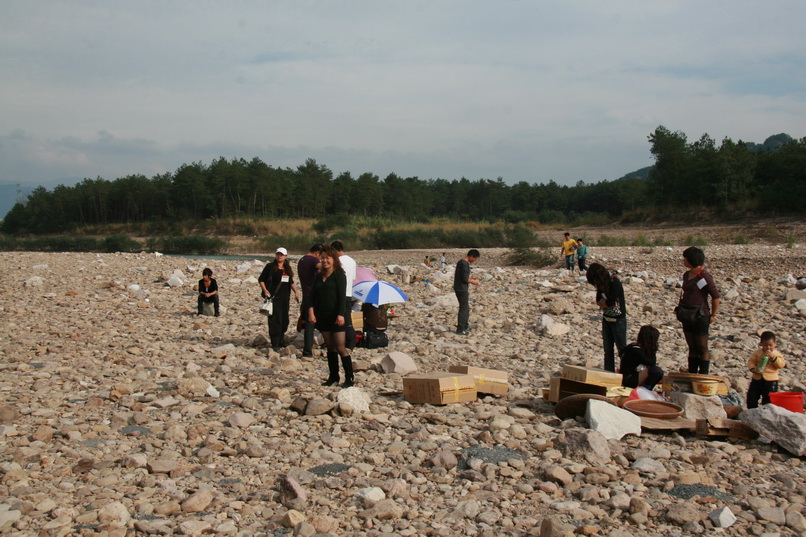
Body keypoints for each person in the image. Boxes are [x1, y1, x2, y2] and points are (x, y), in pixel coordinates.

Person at [309, 246, 354, 387]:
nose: (325, 261)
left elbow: (342, 297)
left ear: (334, 259)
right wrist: (311, 312)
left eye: (327, 258)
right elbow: (312, 296)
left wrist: (341, 315)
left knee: (340, 346)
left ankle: (349, 377)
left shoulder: (340, 275)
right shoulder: (319, 276)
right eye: (322, 258)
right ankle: (333, 376)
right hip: (323, 315)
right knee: (330, 347)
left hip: (337, 315)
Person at [677, 246, 721, 374]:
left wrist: (713, 315)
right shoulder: (686, 275)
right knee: (692, 347)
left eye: (685, 258)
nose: (683, 260)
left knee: (702, 347)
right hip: (687, 314)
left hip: (700, 315)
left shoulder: (704, 276)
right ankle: (691, 373)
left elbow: (715, 296)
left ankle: (703, 374)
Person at [586, 262, 626, 372]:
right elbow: (599, 301)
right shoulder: (601, 284)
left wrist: (605, 303)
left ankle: (625, 372)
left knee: (622, 349)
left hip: (618, 320)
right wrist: (605, 303)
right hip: (607, 318)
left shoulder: (614, 282)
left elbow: (610, 302)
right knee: (608, 349)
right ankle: (609, 372)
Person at [259, 247, 300, 352]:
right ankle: (275, 342)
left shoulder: (287, 269)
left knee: (284, 319)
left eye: (281, 255)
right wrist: (265, 290)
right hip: (274, 298)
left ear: (285, 256)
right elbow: (261, 279)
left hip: (285, 298)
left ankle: (281, 339)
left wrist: (296, 292)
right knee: (275, 320)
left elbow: (291, 281)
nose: (279, 256)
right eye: (278, 254)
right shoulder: (270, 267)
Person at [297, 243, 324, 358]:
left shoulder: (302, 260)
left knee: (308, 322)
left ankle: (308, 348)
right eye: (321, 256)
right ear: (317, 253)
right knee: (310, 323)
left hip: (305, 293)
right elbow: (321, 267)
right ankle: (307, 351)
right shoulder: (313, 260)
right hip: (313, 295)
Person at [746, 331, 786, 409]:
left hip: (771, 380)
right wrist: (753, 369)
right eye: (765, 345)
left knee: (769, 400)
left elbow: (781, 365)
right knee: (752, 397)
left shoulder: (777, 354)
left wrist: (774, 358)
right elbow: (751, 361)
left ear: (775, 344)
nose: (768, 347)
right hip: (757, 378)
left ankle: (766, 414)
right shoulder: (757, 353)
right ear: (761, 344)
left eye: (770, 345)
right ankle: (752, 412)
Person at [620, 325, 664, 390]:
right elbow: (652, 362)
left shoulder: (634, 346)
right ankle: (646, 389)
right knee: (657, 371)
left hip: (628, 377)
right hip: (629, 380)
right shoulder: (636, 351)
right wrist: (653, 349)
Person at [331, 241, 357, 350]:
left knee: (338, 317)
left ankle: (348, 340)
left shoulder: (337, 261)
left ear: (335, 250)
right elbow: (353, 278)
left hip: (338, 293)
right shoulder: (352, 261)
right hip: (348, 293)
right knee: (347, 317)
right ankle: (349, 341)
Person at [454, 249, 480, 335]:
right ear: (471, 256)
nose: (474, 261)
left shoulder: (460, 262)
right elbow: (465, 279)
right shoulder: (465, 264)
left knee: (465, 307)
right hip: (462, 289)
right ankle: (461, 329)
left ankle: (464, 326)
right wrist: (474, 282)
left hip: (458, 287)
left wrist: (470, 279)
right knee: (464, 308)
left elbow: (462, 277)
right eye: (475, 259)